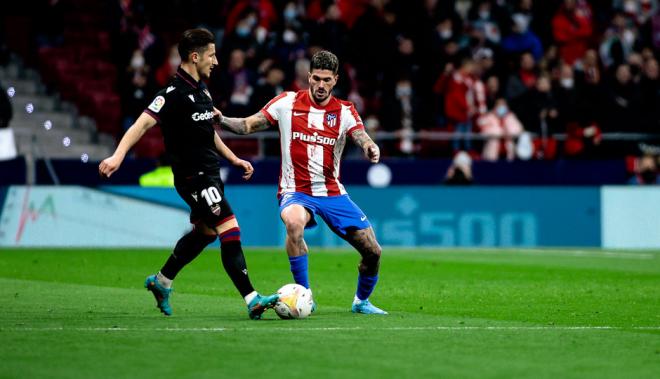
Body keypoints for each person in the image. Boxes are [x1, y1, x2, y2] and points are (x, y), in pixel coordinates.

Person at [99, 28, 278, 319]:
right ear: (194, 57)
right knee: (230, 229)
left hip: (210, 174)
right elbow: (141, 125)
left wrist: (234, 158)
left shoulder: (202, 91)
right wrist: (118, 155)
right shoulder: (172, 93)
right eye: (211, 55)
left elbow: (209, 132)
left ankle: (161, 281)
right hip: (193, 177)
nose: (216, 62)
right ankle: (252, 298)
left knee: (205, 233)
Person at [218, 50, 387, 315]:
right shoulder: (286, 102)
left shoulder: (344, 111)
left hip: (332, 193)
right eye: (316, 79)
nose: (320, 85)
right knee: (295, 223)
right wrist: (221, 119)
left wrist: (369, 146)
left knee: (373, 252)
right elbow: (248, 125)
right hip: (295, 191)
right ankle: (304, 294)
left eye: (326, 80)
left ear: (335, 80)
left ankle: (361, 302)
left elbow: (360, 134)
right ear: (308, 77)